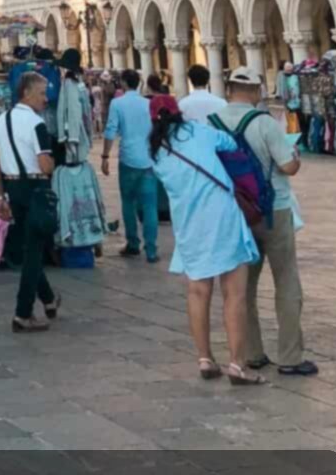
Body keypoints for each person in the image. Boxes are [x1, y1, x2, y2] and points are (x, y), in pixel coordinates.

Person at [148, 94, 262, 384]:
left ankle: (205, 359)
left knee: (198, 291)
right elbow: (230, 144)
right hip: (221, 216)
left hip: (188, 223)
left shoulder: (156, 151)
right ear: (178, 112)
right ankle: (237, 364)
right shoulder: (198, 131)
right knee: (234, 293)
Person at [218, 67, 317, 376]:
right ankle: (289, 357)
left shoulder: (212, 123)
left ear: (229, 89)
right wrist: (296, 157)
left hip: (236, 212)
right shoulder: (264, 123)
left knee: (242, 284)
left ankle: (251, 352)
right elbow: (288, 167)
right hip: (274, 210)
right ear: (257, 91)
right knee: (286, 280)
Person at [0, 70, 59, 332]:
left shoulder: (1, 121)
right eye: (42, 93)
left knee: (30, 249)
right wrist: (53, 161)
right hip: (36, 187)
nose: (46, 99)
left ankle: (49, 299)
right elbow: (45, 164)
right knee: (33, 253)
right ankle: (22, 312)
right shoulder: (37, 124)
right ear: (27, 93)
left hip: (13, 188)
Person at [101, 69, 159, 262]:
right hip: (148, 159)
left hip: (128, 159)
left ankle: (133, 243)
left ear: (124, 83)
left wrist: (105, 155)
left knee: (128, 202)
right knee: (150, 205)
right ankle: (151, 249)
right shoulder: (148, 103)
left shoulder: (117, 103)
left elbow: (110, 131)